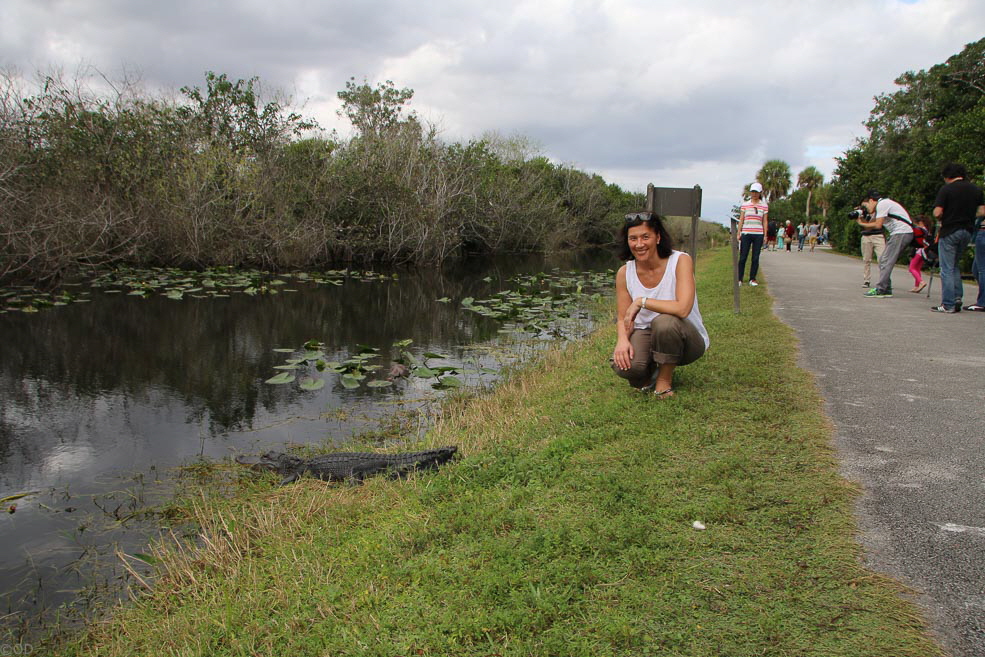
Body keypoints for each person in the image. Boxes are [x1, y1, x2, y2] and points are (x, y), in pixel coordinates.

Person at [612, 212, 710, 399]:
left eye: (645, 237)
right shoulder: (624, 272)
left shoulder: (680, 261)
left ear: (657, 237)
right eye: (633, 238)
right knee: (625, 366)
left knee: (664, 323)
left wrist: (642, 301)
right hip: (646, 333)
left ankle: (664, 381)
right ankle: (649, 375)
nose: (639, 244)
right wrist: (622, 341)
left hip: (685, 338)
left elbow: (682, 308)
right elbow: (621, 317)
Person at [932, 163, 985, 313]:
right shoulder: (975, 189)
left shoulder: (947, 189)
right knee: (954, 265)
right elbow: (982, 211)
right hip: (967, 231)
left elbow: (937, 212)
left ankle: (948, 303)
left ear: (948, 176)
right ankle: (957, 298)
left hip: (950, 230)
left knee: (946, 268)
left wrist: (948, 214)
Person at [856, 190, 914, 299]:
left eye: (865, 206)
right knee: (884, 259)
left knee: (886, 260)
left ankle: (881, 289)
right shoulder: (885, 203)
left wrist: (861, 223)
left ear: (871, 200)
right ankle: (886, 288)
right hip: (900, 233)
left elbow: (878, 225)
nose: (866, 210)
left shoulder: (882, 204)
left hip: (900, 233)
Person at [736, 182, 768, 286]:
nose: (754, 194)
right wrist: (739, 232)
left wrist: (765, 235)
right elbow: (741, 219)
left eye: (756, 192)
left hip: (758, 233)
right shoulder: (745, 204)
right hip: (746, 232)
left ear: (760, 193)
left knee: (755, 257)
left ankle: (752, 279)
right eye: (753, 192)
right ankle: (739, 279)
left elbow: (765, 221)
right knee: (743, 256)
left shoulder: (764, 205)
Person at [859, 210, 886, 288]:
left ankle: (885, 280)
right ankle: (866, 280)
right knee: (866, 259)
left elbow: (875, 224)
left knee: (882, 259)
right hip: (866, 236)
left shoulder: (880, 212)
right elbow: (865, 227)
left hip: (878, 235)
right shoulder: (864, 214)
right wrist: (860, 217)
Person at [907, 215, 933, 293]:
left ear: (920, 223)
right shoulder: (927, 231)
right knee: (917, 268)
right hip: (925, 252)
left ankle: (921, 282)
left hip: (919, 251)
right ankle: (917, 286)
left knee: (911, 268)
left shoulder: (920, 230)